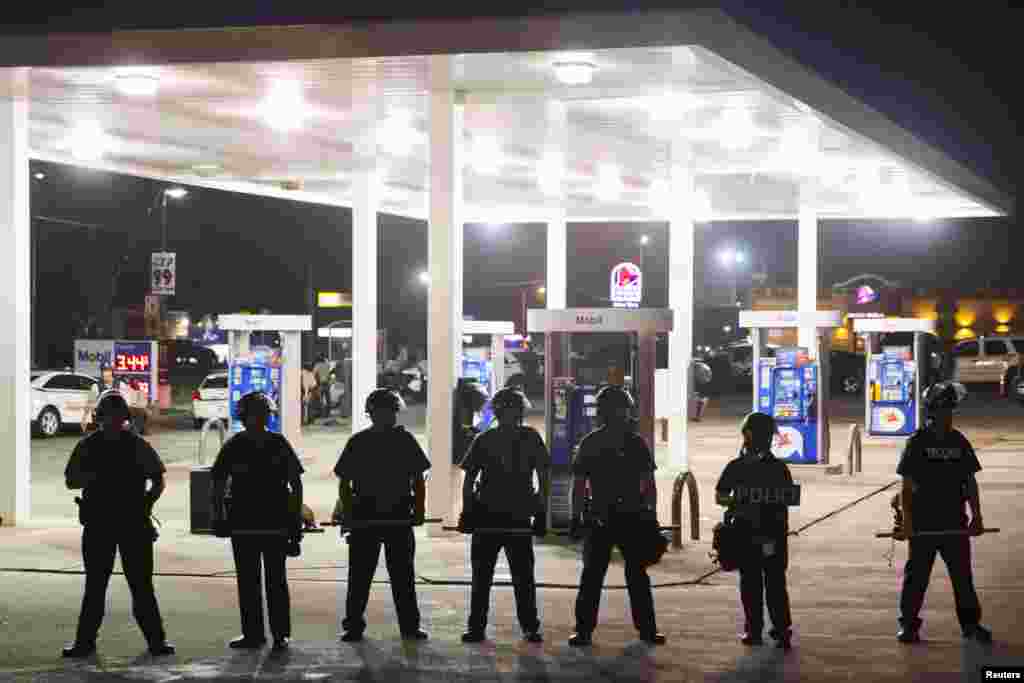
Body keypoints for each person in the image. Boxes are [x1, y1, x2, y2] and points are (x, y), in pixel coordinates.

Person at [62, 391, 174, 658]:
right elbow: (158, 480)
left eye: (113, 416)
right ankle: (154, 642)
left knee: (121, 587)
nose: (111, 421)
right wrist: (145, 502)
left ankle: (89, 643)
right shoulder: (130, 445)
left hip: (117, 523)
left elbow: (158, 480)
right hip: (119, 523)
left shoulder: (94, 445)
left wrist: (145, 503)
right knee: (122, 587)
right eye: (109, 416)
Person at [894, 381, 991, 644]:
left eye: (951, 410)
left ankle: (971, 625)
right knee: (916, 578)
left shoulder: (959, 441)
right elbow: (906, 486)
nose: (949, 415)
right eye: (945, 410)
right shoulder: (917, 442)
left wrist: (977, 516)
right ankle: (909, 625)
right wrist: (908, 522)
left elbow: (969, 481)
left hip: (955, 523)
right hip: (924, 524)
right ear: (933, 411)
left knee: (962, 577)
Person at [568, 385, 665, 647]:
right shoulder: (634, 442)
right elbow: (649, 484)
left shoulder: (593, 442)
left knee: (593, 577)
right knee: (634, 577)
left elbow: (578, 486)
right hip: (625, 517)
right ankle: (646, 631)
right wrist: (651, 515)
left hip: (608, 518)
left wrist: (576, 518)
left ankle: (584, 631)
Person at [210, 391, 304, 652]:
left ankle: (273, 634)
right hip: (251, 523)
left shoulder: (253, 443)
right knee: (255, 582)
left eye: (260, 415)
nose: (257, 419)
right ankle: (261, 634)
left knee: (270, 581)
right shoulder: (256, 444)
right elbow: (217, 483)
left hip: (265, 523)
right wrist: (218, 515)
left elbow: (296, 484)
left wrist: (295, 523)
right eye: (255, 415)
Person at [334, 388, 430, 642]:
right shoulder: (361, 441)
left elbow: (418, 481)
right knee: (362, 577)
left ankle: (407, 626)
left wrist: (419, 510)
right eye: (383, 411)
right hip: (369, 518)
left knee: (400, 576)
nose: (387, 416)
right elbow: (344, 483)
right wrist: (349, 515)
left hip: (394, 517)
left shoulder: (400, 440)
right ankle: (356, 625)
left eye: (389, 411)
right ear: (374, 413)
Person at [458, 387, 550, 644]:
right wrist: (541, 512)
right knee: (510, 578)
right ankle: (522, 627)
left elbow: (468, 481)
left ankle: (484, 628)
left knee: (500, 578)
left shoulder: (487, 439)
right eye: (507, 410)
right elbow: (543, 479)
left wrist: (467, 511)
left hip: (502, 517)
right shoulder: (526, 438)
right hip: (501, 517)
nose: (510, 414)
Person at [715, 412, 795, 649]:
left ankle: (761, 631)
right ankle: (777, 631)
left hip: (760, 535)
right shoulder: (777, 468)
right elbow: (721, 495)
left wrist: (739, 501)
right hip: (764, 536)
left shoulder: (738, 466)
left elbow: (721, 496)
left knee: (757, 583)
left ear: (746, 434)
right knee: (770, 583)